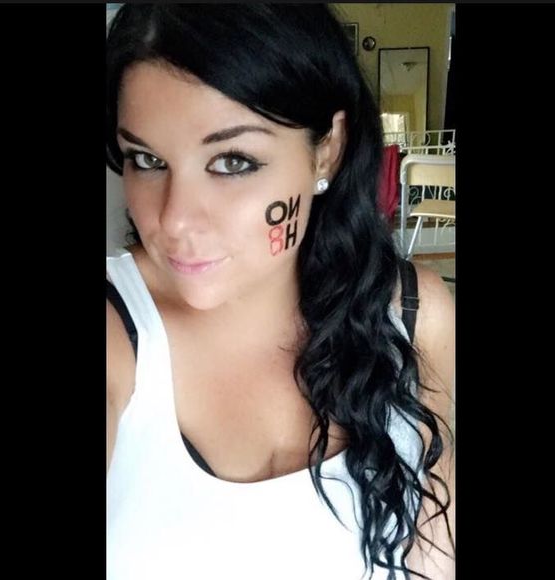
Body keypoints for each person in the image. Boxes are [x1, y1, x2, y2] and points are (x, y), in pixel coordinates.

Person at [106, 4, 455, 580]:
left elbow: (433, 554)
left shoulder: (414, 315)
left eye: (233, 161)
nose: (174, 220)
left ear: (327, 149)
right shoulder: (117, 331)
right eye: (147, 160)